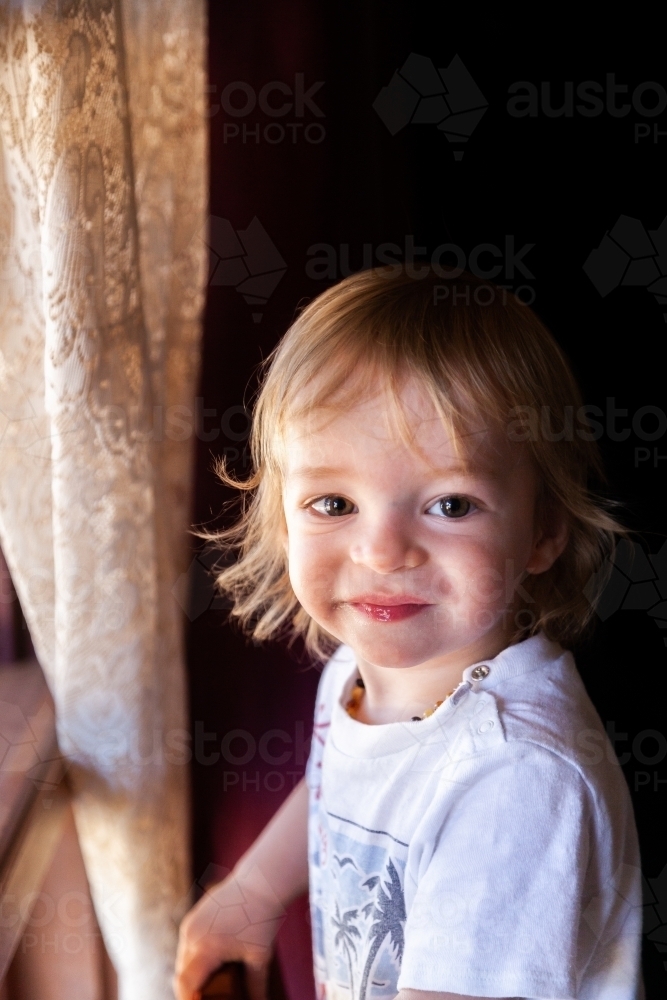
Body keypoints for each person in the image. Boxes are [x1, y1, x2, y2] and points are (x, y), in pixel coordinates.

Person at [174, 268, 643, 1000]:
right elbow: (339, 782)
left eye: (451, 504)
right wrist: (252, 894)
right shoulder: (360, 675)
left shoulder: (513, 778)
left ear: (543, 530)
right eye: (333, 502)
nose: (384, 551)